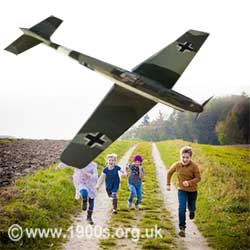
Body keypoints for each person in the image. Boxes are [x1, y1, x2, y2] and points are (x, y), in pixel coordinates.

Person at [166, 146, 201, 237]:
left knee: (191, 206)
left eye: (187, 157)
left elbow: (198, 178)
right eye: (183, 157)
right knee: (182, 207)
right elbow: (169, 172)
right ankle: (182, 228)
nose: (185, 159)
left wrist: (189, 183)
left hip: (192, 191)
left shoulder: (194, 166)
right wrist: (168, 184)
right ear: (180, 156)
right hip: (181, 190)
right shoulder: (177, 165)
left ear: (190, 157)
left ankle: (192, 211)